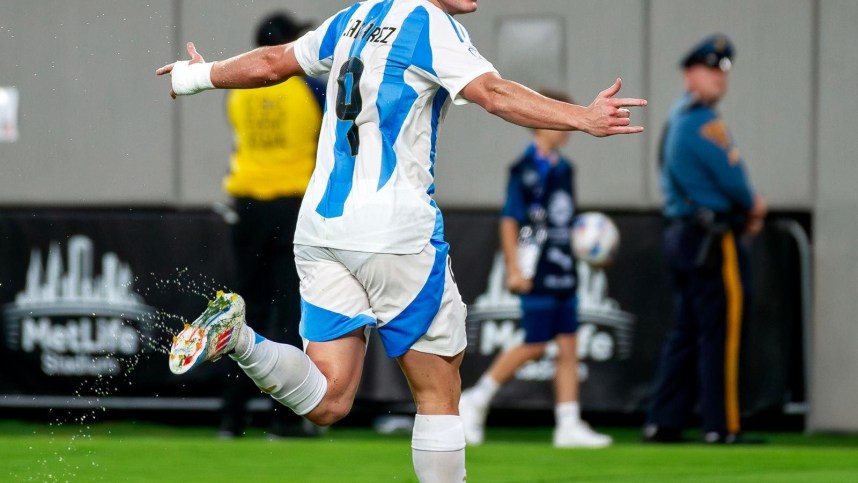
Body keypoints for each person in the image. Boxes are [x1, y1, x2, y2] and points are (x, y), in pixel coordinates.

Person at [158, 1, 645, 480]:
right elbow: (493, 93)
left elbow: (269, 63)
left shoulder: (352, 17)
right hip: (392, 230)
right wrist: (582, 117)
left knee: (329, 399)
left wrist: (193, 76)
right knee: (438, 392)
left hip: (321, 229)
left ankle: (238, 337)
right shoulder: (429, 22)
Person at [458, 89, 612, 449]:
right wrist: (514, 268)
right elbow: (511, 220)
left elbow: (567, 222)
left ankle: (568, 422)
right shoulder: (523, 170)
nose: (568, 127)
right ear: (544, 122)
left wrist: (590, 252)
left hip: (564, 269)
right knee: (535, 342)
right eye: (561, 117)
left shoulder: (565, 169)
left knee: (569, 344)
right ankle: (475, 400)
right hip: (536, 270)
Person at [643, 34, 766, 445]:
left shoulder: (679, 119)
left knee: (688, 330)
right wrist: (752, 206)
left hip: (683, 236)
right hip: (711, 239)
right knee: (721, 331)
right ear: (689, 74)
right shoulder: (702, 121)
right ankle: (722, 424)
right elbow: (737, 184)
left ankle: (664, 420)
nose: (718, 78)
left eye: (721, 71)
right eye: (710, 69)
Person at [217, 11, 325, 439]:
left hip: (246, 207)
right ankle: (285, 419)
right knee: (289, 313)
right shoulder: (309, 89)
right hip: (291, 207)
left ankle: (232, 419)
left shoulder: (237, 94)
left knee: (245, 313)